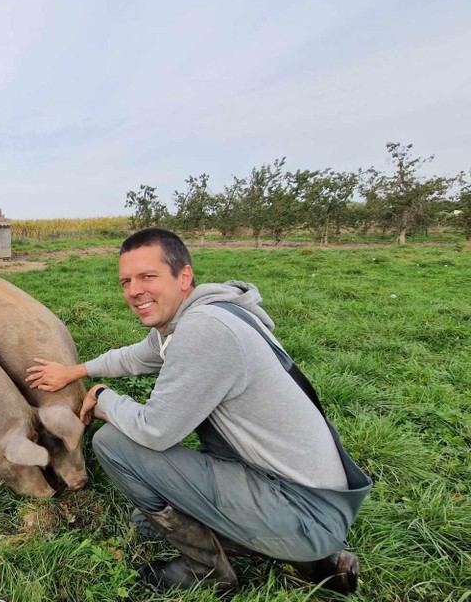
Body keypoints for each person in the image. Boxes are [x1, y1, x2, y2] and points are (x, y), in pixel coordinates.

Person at [25, 227, 371, 595]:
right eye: (126, 281)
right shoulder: (211, 313)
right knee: (146, 521)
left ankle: (205, 570)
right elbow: (138, 355)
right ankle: (317, 560)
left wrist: (104, 398)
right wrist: (74, 372)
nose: (133, 290)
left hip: (301, 507)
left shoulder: (204, 330)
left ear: (184, 276)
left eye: (148, 276)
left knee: (113, 442)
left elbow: (156, 431)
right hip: (307, 492)